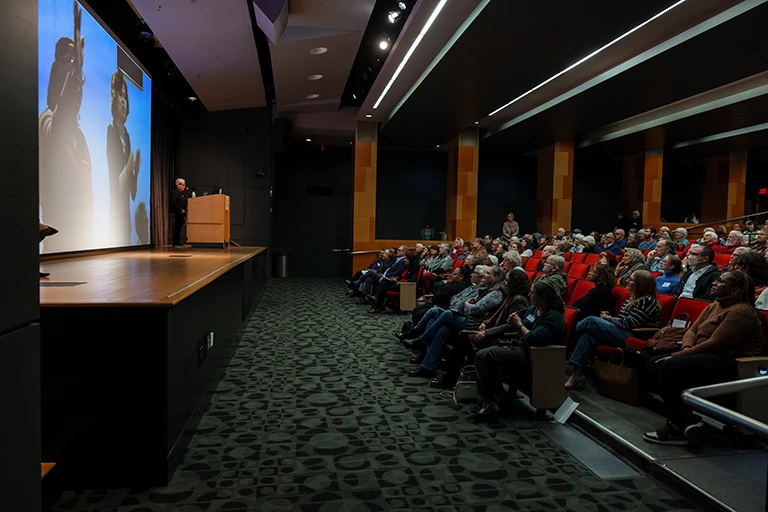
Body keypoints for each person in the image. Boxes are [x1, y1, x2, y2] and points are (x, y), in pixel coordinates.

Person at [643, 272, 766, 445]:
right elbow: (692, 330)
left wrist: (680, 355)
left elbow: (716, 344)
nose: (714, 283)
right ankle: (685, 420)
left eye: (721, 281)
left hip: (733, 362)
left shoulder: (741, 311)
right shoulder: (715, 305)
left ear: (735, 290)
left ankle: (677, 428)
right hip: (705, 354)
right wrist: (686, 348)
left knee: (671, 366)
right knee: (652, 363)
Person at [472, 280, 567, 420]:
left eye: (532, 292)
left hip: (538, 356)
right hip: (522, 347)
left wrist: (519, 324)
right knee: (481, 354)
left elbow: (535, 338)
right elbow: (524, 329)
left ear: (542, 296)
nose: (529, 294)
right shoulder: (533, 310)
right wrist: (514, 324)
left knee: (490, 354)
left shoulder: (553, 316)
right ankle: (490, 401)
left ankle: (495, 401)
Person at [39, 16, 93, 253]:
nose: (71, 67)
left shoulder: (79, 135)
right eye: (66, 61)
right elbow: (59, 123)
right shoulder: (47, 120)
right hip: (59, 238)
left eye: (74, 62)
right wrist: (75, 74)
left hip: (79, 238)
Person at [565, 270, 660, 389]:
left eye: (631, 280)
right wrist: (610, 319)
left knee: (591, 321)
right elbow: (622, 319)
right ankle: (575, 376)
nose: (627, 281)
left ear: (640, 284)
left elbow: (628, 323)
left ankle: (564, 333)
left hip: (633, 336)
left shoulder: (647, 301)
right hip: (622, 331)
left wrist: (608, 319)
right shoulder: (632, 298)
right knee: (588, 335)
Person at [107, 71, 141, 246]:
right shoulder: (111, 131)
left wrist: (135, 170)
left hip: (126, 215)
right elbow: (117, 184)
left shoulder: (127, 136)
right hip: (116, 211)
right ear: (114, 98)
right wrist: (129, 166)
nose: (123, 102)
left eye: (125, 97)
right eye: (120, 95)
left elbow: (132, 193)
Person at [171, 178, 188, 247]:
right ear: (178, 185)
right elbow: (173, 202)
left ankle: (178, 241)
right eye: (183, 185)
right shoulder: (175, 193)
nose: (184, 186)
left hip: (182, 213)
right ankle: (175, 242)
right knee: (177, 228)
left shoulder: (181, 193)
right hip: (177, 213)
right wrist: (180, 209)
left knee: (179, 228)